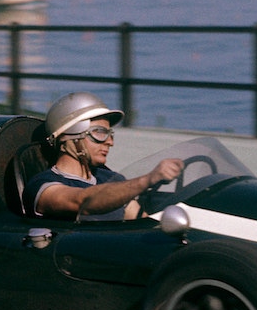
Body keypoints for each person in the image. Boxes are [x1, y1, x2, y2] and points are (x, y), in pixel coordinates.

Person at [23, 92, 184, 220]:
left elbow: (139, 221)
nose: (109, 142)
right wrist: (147, 179)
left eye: (110, 134)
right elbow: (82, 202)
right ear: (68, 136)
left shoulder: (110, 178)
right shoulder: (42, 186)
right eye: (99, 133)